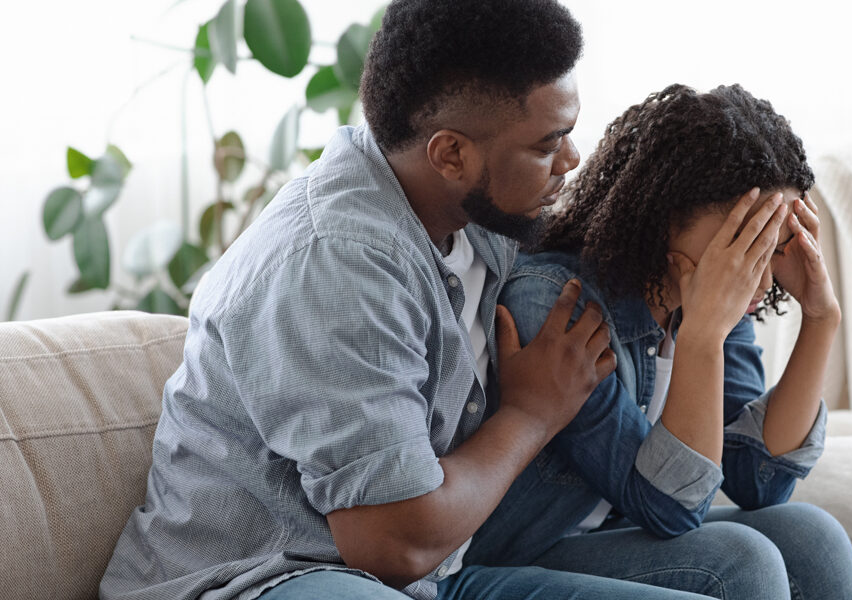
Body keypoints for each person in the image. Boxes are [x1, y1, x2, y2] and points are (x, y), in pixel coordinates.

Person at [101, 1, 801, 599]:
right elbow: (392, 545)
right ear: (451, 154)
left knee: (754, 563)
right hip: (276, 575)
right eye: (548, 143)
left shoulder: (482, 222)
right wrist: (531, 412)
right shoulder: (338, 262)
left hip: (439, 573)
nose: (573, 160)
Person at [466, 84, 852, 599]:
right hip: (516, 553)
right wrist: (702, 339)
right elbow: (671, 506)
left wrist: (820, 318)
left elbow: (756, 481)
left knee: (813, 536)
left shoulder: (710, 302)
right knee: (742, 564)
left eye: (776, 245)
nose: (758, 277)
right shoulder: (556, 304)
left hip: (605, 540)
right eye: (744, 242)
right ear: (663, 219)